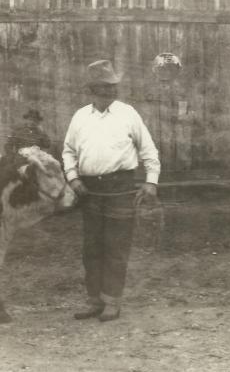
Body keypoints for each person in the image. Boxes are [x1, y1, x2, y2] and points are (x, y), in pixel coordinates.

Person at [62, 59, 161, 322]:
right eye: (105, 88)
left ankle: (112, 301)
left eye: (114, 87)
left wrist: (151, 181)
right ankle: (94, 300)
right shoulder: (80, 117)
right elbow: (68, 151)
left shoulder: (128, 114)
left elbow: (148, 150)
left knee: (116, 246)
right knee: (91, 247)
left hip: (121, 188)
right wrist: (73, 178)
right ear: (92, 90)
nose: (112, 92)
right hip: (89, 190)